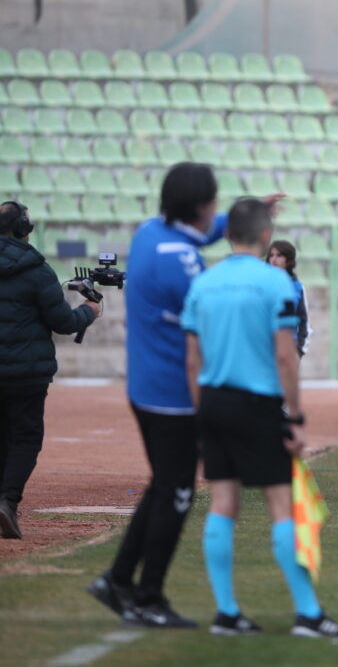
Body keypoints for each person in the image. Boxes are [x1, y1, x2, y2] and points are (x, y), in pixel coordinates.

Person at [184, 198, 338, 637]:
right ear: (263, 235)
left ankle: (226, 611)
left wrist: (202, 412)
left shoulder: (204, 282)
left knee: (223, 503)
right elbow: (284, 354)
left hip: (214, 401)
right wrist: (293, 417)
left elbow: (192, 358)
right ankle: (308, 614)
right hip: (257, 403)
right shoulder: (275, 282)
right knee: (280, 507)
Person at [89, 163, 243, 628]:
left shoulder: (151, 232)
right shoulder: (182, 261)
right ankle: (147, 595)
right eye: (213, 204)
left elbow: (202, 233)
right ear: (199, 207)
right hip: (173, 393)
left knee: (163, 486)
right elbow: (214, 315)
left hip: (146, 386)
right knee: (176, 495)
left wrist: (237, 218)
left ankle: (116, 580)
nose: (215, 212)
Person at [0, 202, 100, 539]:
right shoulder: (38, 270)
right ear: (24, 229)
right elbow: (64, 322)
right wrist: (90, 311)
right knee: (26, 437)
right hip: (27, 373)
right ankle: (7, 502)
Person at [266, 240, 311, 357]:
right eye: (271, 255)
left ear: (289, 260)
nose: (274, 259)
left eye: (279, 255)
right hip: (264, 350)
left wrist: (299, 351)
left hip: (288, 350)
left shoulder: (298, 288)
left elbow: (304, 322)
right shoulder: (260, 286)